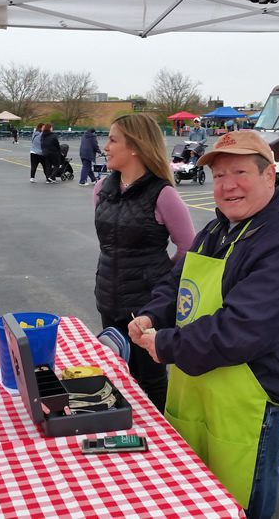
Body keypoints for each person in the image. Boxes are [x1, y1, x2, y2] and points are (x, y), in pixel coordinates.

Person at [128, 130, 279, 517]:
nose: (227, 185)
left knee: (240, 504)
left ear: (270, 175)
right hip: (201, 390)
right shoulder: (217, 229)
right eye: (218, 176)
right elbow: (177, 283)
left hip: (255, 407)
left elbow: (242, 330)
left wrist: (165, 345)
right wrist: (153, 314)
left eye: (240, 172)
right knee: (194, 496)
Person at [93, 113, 195, 410]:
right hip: (108, 297)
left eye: (112, 140)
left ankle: (161, 442)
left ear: (135, 147)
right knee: (117, 372)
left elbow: (187, 247)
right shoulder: (102, 190)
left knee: (149, 378)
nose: (105, 147)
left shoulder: (163, 194)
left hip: (146, 305)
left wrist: (162, 279)